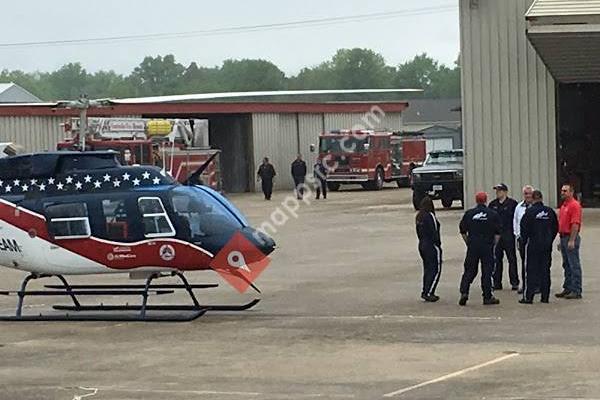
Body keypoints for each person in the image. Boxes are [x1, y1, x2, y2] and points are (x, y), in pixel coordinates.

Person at [458, 192, 502, 306]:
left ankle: (464, 292)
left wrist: (468, 241)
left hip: (473, 245)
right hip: (487, 245)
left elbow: (462, 230)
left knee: (469, 270)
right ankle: (487, 296)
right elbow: (498, 233)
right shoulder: (492, 214)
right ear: (486, 200)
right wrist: (494, 244)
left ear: (476, 200)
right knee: (487, 271)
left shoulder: (469, 213)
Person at [519, 190, 558, 304]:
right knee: (545, 271)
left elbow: (524, 230)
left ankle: (528, 297)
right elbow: (555, 228)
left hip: (533, 245)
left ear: (533, 198)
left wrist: (524, 242)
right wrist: (550, 239)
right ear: (542, 198)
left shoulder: (529, 212)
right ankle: (545, 297)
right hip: (546, 245)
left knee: (530, 271)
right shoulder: (550, 212)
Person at [488, 183, 519, 291]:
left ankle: (514, 282)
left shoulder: (512, 204)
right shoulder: (492, 205)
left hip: (509, 234)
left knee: (512, 259)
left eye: (500, 191)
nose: (498, 193)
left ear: (505, 192)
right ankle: (497, 282)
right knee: (497, 259)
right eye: (497, 191)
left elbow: (516, 219)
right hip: (497, 236)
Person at [556, 184, 584, 299]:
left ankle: (576, 290)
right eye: (562, 191)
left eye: (565, 191)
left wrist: (572, 240)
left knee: (574, 265)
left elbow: (575, 224)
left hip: (570, 237)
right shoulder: (563, 206)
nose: (562, 193)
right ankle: (567, 287)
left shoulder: (574, 206)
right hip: (563, 237)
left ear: (571, 192)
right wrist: (560, 240)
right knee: (566, 264)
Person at [415, 196, 442, 302]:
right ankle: (429, 292)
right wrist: (438, 244)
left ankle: (425, 290)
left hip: (422, 244)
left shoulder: (419, 217)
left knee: (427, 269)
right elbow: (434, 230)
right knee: (435, 269)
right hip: (431, 245)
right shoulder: (430, 216)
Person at [513, 185, 534, 294]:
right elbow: (515, 222)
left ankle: (535, 285)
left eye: (530, 193)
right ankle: (524, 285)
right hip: (522, 239)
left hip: (534, 239)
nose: (528, 196)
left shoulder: (536, 207)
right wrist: (517, 236)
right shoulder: (519, 207)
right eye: (526, 194)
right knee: (524, 263)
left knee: (535, 263)